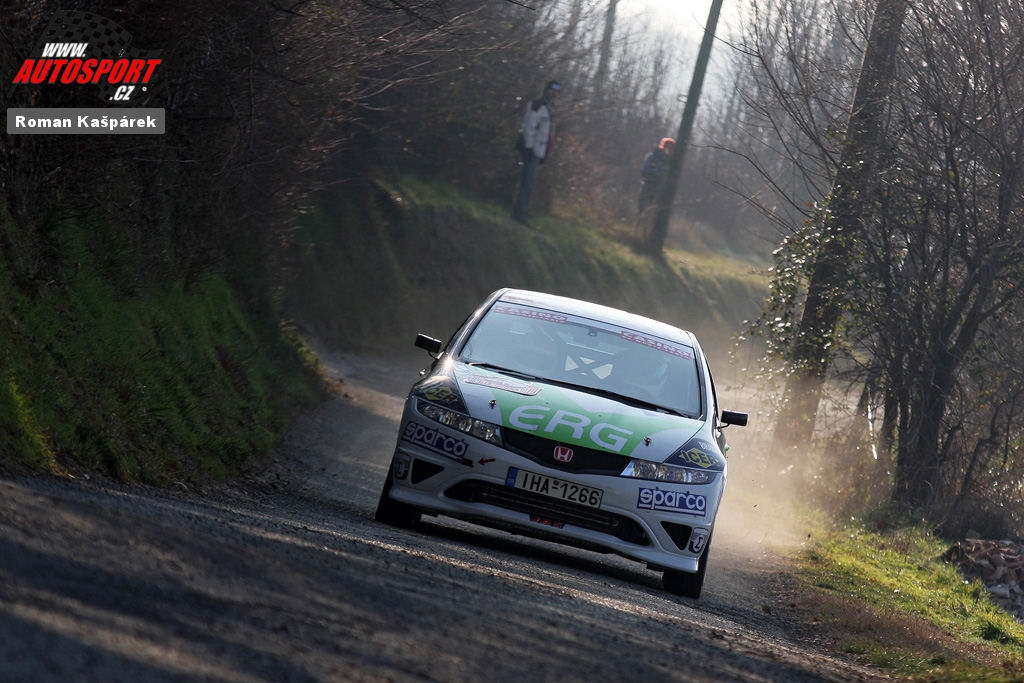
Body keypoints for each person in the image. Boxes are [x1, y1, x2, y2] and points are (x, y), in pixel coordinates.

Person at [512, 80, 561, 224]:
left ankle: (521, 210)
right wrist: (528, 147)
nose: (554, 94)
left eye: (557, 92)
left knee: (529, 183)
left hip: (539, 151)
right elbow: (529, 126)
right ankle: (519, 213)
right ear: (546, 90)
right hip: (532, 150)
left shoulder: (549, 109)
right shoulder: (538, 105)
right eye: (552, 91)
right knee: (526, 183)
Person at [637, 137, 675, 216]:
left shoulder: (672, 162)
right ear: (663, 146)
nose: (669, 150)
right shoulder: (653, 157)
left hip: (660, 191)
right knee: (643, 207)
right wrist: (657, 174)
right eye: (668, 148)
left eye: (671, 149)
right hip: (648, 187)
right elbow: (645, 171)